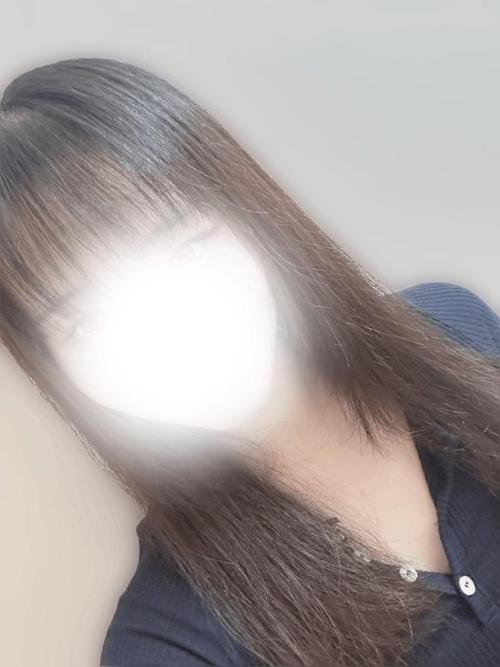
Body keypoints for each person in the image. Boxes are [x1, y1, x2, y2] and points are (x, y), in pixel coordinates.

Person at [0, 57, 499, 667]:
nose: (171, 330)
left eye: (185, 249)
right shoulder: (170, 641)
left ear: (252, 219)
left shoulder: (454, 327)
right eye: (86, 319)